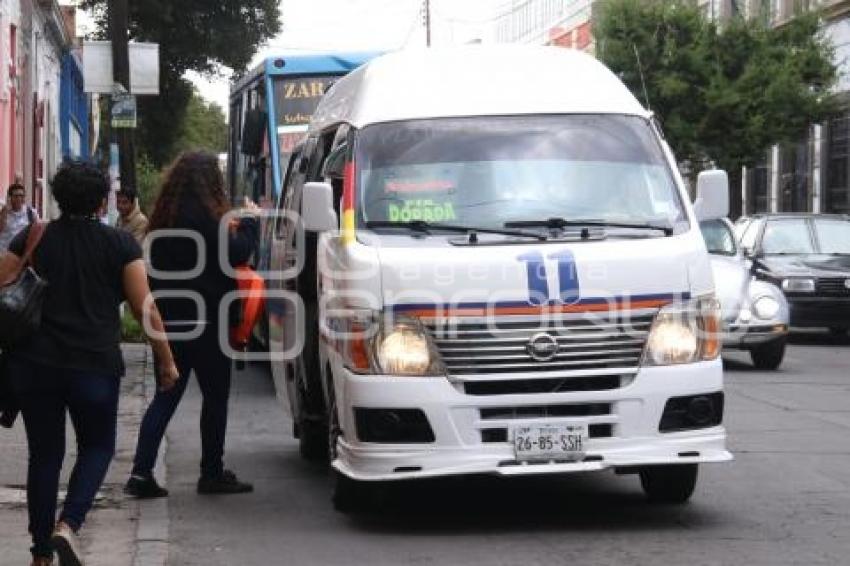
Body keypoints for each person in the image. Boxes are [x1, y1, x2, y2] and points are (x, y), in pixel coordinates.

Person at [0, 161, 179, 566]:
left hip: (34, 363)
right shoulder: (120, 245)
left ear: (58, 198)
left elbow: (3, 283)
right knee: (97, 446)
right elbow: (144, 307)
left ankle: (41, 555)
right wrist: (165, 360)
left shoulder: (34, 236)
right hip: (93, 365)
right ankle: (69, 525)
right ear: (102, 201)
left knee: (44, 454)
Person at [125, 151, 259, 499]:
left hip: (169, 323)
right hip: (208, 322)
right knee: (215, 399)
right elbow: (238, 252)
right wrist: (251, 223)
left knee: (166, 396)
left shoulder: (162, 220)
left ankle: (141, 472)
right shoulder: (210, 220)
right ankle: (211, 473)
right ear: (210, 183)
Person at [0, 182, 39, 252]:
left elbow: (36, 234)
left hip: (23, 256)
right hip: (4, 255)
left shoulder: (31, 213)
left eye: (21, 196)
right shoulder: (4, 212)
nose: (19, 198)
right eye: (16, 196)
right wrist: (4, 211)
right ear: (10, 197)